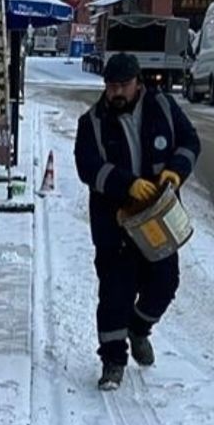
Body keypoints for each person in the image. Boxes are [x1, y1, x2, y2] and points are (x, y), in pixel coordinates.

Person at [74, 53, 201, 390]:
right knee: (115, 291)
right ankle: (113, 361)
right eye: (111, 86)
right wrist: (126, 184)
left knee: (164, 283)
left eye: (123, 85)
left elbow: (190, 142)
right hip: (114, 224)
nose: (117, 92)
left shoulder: (163, 108)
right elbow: (87, 167)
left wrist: (176, 170)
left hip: (159, 221)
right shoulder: (92, 123)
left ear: (138, 83)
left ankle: (139, 328)